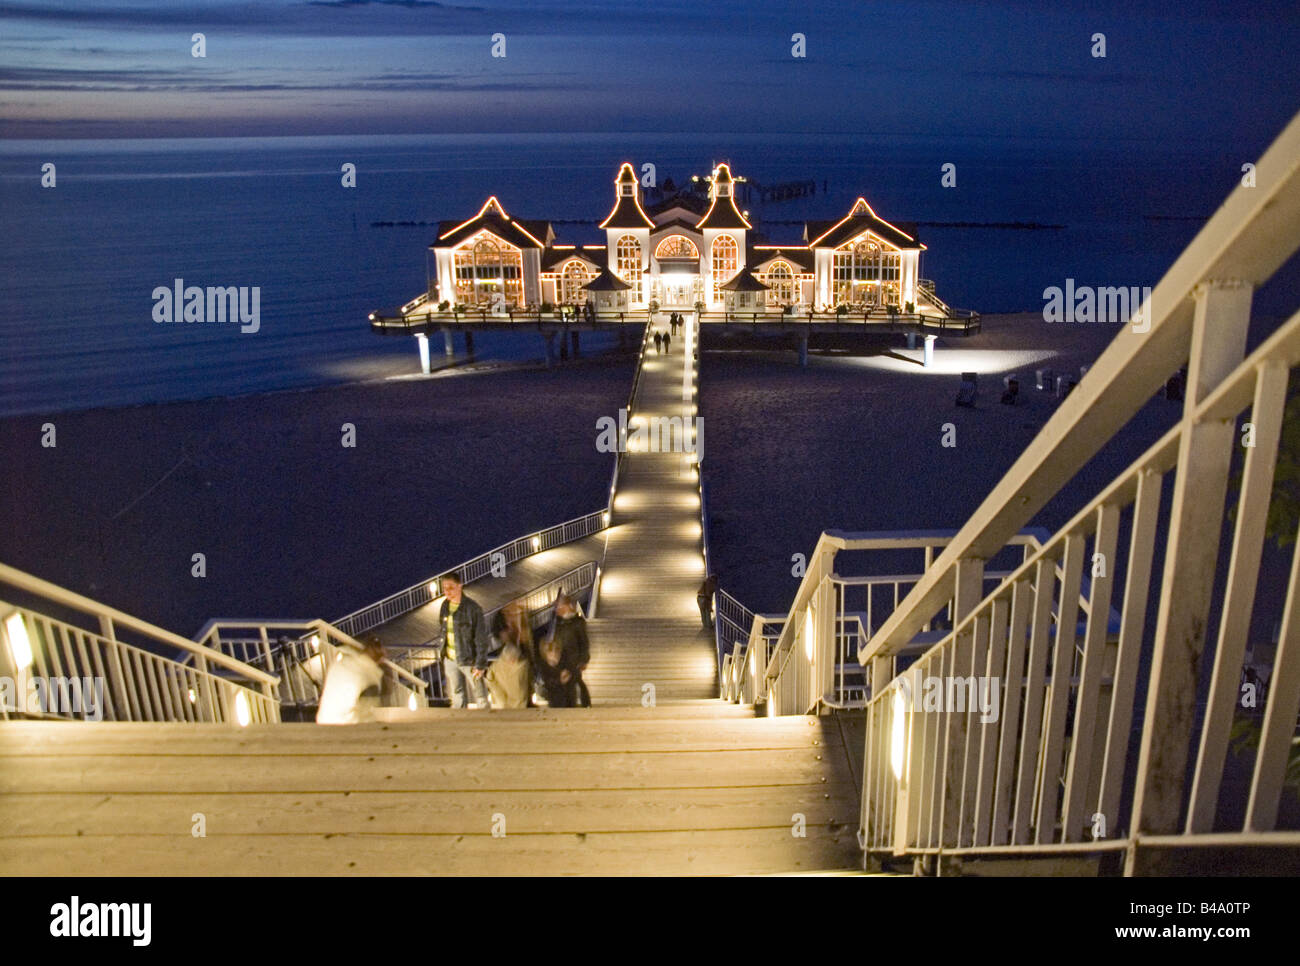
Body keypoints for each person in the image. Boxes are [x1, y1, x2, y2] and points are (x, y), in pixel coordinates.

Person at [434, 571, 491, 708]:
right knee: (457, 694)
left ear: (460, 586)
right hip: (450, 658)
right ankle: (460, 724)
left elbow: (480, 637)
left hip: (469, 659)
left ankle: (488, 723)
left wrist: (480, 664)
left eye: (451, 587)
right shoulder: (444, 606)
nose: (447, 591)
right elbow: (443, 631)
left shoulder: (472, 608)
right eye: (444, 588)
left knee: (480, 695)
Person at [316, 637, 386, 725]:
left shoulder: (341, 662)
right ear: (381, 659)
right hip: (343, 725)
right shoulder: (370, 677)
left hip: (323, 719)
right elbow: (368, 715)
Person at [550, 593, 591, 707]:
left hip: (574, 659)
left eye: (558, 606)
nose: (557, 609)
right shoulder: (559, 622)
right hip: (562, 659)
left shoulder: (576, 622)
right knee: (570, 682)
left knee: (575, 681)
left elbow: (584, 642)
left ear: (566, 606)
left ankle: (582, 704)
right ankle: (575, 704)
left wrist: (583, 659)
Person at [536, 636, 578, 707]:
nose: (554, 653)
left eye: (557, 650)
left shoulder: (566, 664)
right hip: (554, 706)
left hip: (570, 705)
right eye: (550, 650)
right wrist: (559, 681)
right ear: (544, 653)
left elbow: (575, 678)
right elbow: (544, 687)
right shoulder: (543, 668)